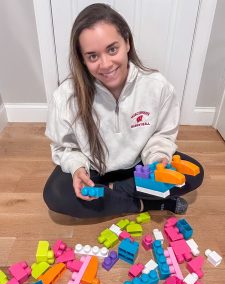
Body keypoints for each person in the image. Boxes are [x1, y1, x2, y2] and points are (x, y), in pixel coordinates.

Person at [43, 3, 204, 219]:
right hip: (95, 171)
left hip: (139, 168)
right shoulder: (65, 97)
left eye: (112, 49)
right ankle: (144, 204)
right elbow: (65, 148)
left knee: (193, 173)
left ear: (127, 42)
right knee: (56, 194)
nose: (106, 64)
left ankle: (115, 195)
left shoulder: (157, 87)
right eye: (93, 56)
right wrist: (77, 169)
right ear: (82, 58)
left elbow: (162, 135)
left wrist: (158, 159)